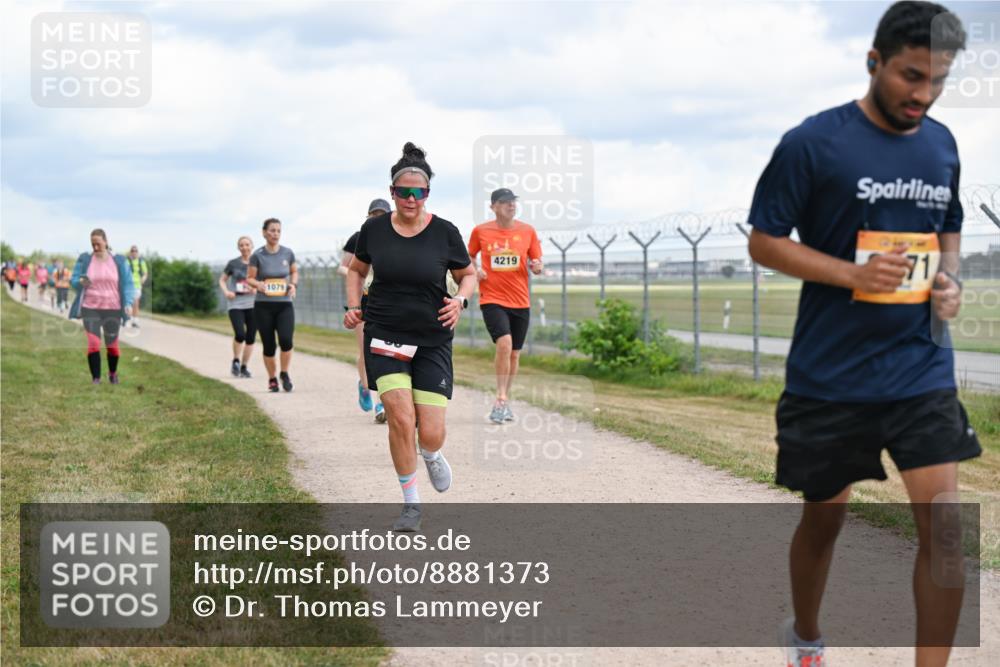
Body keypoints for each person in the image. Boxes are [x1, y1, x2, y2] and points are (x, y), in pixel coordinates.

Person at [745, 4, 979, 666]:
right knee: (824, 520)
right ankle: (806, 635)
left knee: (946, 532)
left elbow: (950, 226)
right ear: (874, 61)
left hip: (920, 366)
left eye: (938, 80)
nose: (924, 94)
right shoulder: (814, 143)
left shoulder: (942, 144)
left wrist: (950, 279)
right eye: (911, 76)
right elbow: (764, 240)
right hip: (832, 375)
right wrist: (852, 272)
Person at [344, 142, 476, 532]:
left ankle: (431, 454)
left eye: (419, 191)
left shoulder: (445, 232)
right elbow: (356, 271)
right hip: (385, 333)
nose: (411, 198)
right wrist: (353, 306)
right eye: (404, 192)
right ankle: (411, 504)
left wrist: (461, 301)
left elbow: (468, 275)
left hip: (433, 337)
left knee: (430, 431)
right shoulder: (373, 230)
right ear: (392, 192)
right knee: (401, 419)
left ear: (428, 193)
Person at [468, 188, 543, 423]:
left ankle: (505, 399)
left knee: (515, 353)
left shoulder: (527, 231)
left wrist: (537, 266)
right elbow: (469, 255)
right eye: (505, 202)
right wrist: (476, 269)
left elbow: (537, 260)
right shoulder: (481, 231)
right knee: (504, 343)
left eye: (513, 202)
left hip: (520, 300)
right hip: (492, 298)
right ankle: (500, 397)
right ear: (493, 207)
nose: (511, 205)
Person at [340, 197, 392, 424]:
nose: (378, 219)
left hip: (386, 302)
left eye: (382, 215)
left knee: (385, 351)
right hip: (362, 301)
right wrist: (361, 275)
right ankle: (364, 384)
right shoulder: (359, 237)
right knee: (365, 350)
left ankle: (382, 402)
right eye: (374, 215)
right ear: (368, 217)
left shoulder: (395, 238)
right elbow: (343, 267)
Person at [69, 229, 136, 384]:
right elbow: (74, 280)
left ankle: (112, 373)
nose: (95, 247)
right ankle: (96, 379)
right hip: (90, 307)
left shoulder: (119, 260)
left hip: (113, 308)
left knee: (112, 347)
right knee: (94, 344)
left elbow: (128, 284)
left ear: (106, 241)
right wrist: (81, 281)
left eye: (98, 244)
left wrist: (128, 303)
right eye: (93, 244)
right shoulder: (85, 259)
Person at [247, 218, 297, 392]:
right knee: (269, 345)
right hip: (263, 306)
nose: (275, 234)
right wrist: (258, 284)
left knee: (286, 340)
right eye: (272, 230)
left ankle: (284, 373)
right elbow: (250, 278)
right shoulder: (257, 255)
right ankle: (272, 378)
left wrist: (293, 285)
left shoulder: (288, 253)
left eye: (278, 231)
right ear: (264, 232)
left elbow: (294, 272)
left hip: (284, 305)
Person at [219, 236, 257, 378]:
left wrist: (256, 288)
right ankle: (236, 360)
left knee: (251, 337)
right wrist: (226, 292)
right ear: (238, 248)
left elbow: (264, 281)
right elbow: (222, 280)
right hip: (236, 304)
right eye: (241, 245)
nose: (244, 247)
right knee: (240, 334)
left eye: (247, 244)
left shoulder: (258, 262)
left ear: (252, 246)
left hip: (253, 304)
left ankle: (244, 367)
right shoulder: (233, 263)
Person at [126, 246, 149, 327]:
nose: (134, 252)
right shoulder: (127, 261)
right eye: (132, 251)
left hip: (137, 285)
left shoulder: (141, 261)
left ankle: (135, 320)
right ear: (130, 252)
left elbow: (145, 273)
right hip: (128, 284)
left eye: (135, 251)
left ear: (137, 252)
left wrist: (143, 279)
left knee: (136, 302)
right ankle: (127, 319)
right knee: (128, 303)